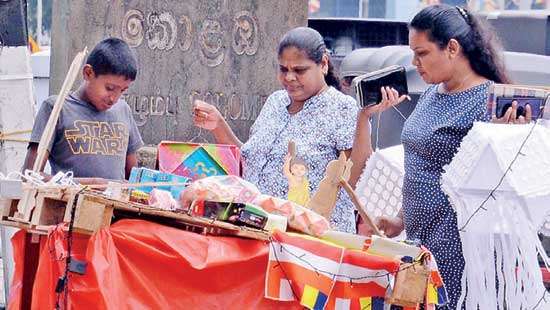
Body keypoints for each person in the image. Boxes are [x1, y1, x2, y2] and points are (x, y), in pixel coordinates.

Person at [352, 5, 510, 308]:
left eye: (422, 53)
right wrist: (400, 218)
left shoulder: (488, 102)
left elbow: (493, 177)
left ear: (452, 48)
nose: (415, 63)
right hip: (418, 242)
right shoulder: (433, 93)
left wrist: (503, 137)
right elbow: (422, 165)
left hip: (456, 245)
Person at [192, 27, 359, 232]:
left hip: (310, 238)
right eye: (283, 69)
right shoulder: (275, 101)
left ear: (323, 64)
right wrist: (218, 125)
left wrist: (366, 117)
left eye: (299, 70)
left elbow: (354, 175)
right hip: (256, 228)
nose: (289, 77)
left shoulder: (342, 108)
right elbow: (248, 161)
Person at [23, 37, 144, 183]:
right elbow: (30, 176)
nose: (114, 98)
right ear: (88, 73)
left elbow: (134, 179)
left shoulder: (123, 110)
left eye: (123, 90)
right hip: (67, 205)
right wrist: (91, 184)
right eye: (109, 88)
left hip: (114, 205)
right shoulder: (57, 108)